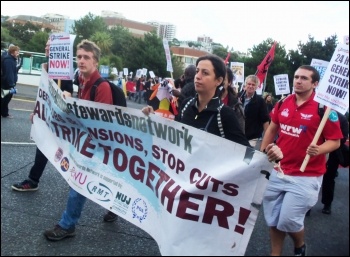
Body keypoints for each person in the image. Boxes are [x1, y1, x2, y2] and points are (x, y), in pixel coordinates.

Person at [260, 65, 343, 256]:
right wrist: (264, 151)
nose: (298, 80)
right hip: (278, 170)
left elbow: (335, 141)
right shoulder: (283, 102)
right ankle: (276, 253)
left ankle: (300, 245)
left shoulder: (324, 109)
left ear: (315, 83)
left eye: (304, 78)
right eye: (296, 76)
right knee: (273, 219)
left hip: (306, 176)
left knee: (288, 220)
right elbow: (272, 129)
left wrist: (319, 149)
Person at [43, 39, 121, 241]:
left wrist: (73, 107)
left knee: (79, 182)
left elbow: (101, 124)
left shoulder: (101, 86)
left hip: (96, 145)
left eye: (86, 57)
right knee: (103, 179)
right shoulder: (83, 81)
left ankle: (67, 225)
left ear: (95, 62)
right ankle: (115, 207)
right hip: (87, 142)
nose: (81, 61)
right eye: (78, 57)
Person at [144, 54, 250, 147]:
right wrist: (153, 118)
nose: (198, 77)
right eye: (197, 71)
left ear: (218, 81)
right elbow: (174, 136)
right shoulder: (187, 104)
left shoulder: (225, 114)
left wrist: (266, 155)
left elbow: (247, 154)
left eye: (205, 73)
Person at [11, 38, 73, 192]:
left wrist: (66, 94)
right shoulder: (48, 66)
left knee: (70, 150)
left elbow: (68, 91)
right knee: (43, 146)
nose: (45, 47)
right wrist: (36, 111)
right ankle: (33, 180)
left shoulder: (63, 70)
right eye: (45, 44)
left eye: (49, 45)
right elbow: (43, 94)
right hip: (47, 116)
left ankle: (78, 183)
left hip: (59, 118)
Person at [321, 112, 349, 214]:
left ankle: (327, 204)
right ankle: (307, 206)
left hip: (333, 153)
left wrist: (329, 143)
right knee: (310, 177)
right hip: (315, 150)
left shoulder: (341, 118)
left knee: (329, 178)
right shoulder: (318, 113)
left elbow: (344, 137)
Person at [238, 75, 270, 148]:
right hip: (237, 134)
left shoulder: (260, 101)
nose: (250, 86)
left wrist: (266, 140)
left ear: (256, 87)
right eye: (249, 84)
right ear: (245, 85)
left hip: (252, 138)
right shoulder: (238, 97)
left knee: (247, 158)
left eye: (253, 85)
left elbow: (265, 121)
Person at [219, 66, 245, 133]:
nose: (220, 82)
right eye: (217, 78)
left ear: (229, 82)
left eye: (223, 79)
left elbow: (240, 132)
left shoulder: (236, 105)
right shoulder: (206, 99)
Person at [1, 45, 20, 118]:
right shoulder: (9, 60)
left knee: (5, 99)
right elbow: (9, 73)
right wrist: (11, 84)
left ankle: (4, 113)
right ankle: (5, 113)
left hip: (8, 83)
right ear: (12, 52)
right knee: (5, 99)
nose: (18, 53)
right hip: (7, 84)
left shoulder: (12, 60)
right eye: (17, 51)